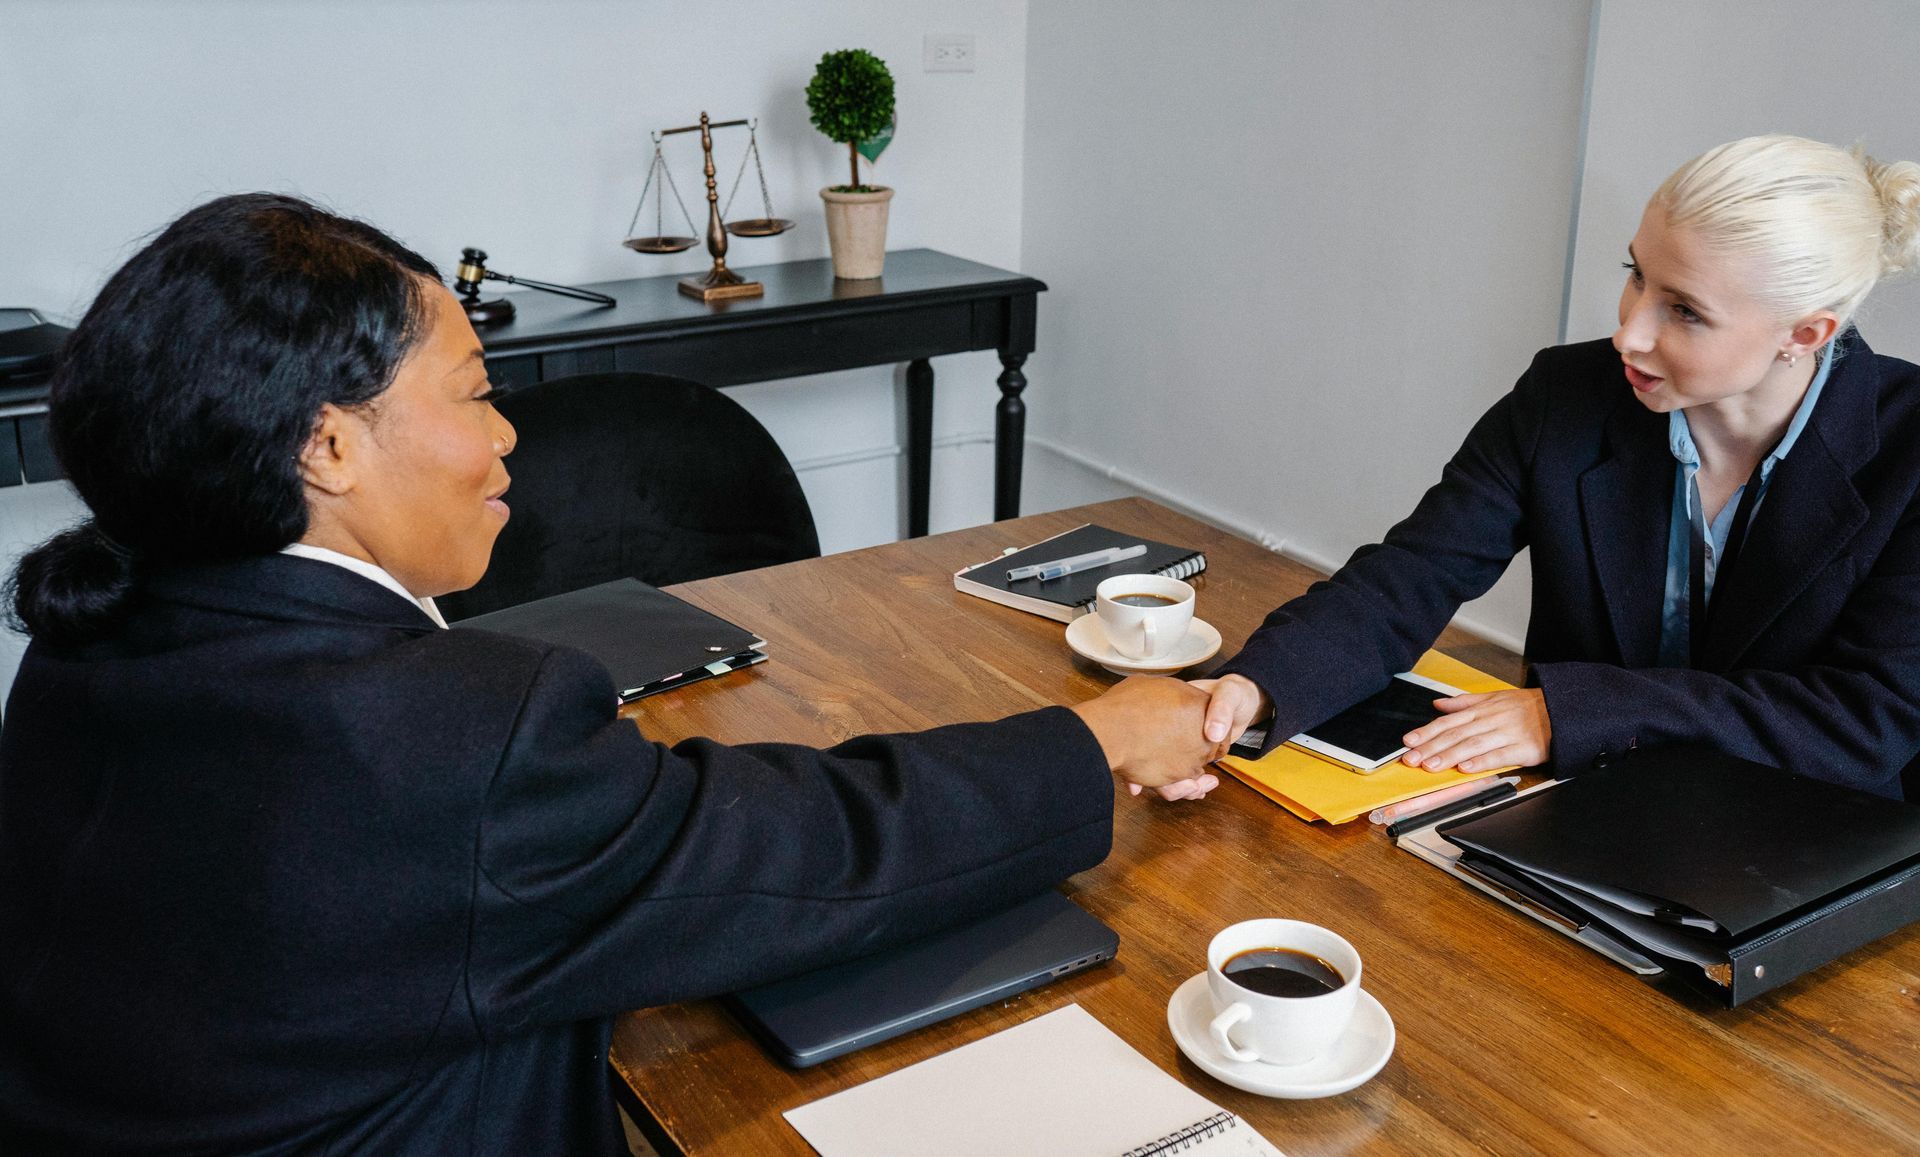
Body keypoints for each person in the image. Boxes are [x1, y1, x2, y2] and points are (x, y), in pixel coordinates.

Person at [0, 194, 1222, 1155]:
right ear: (327, 445)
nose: (506, 434)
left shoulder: (89, 637)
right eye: (476, 394)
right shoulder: (438, 733)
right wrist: (1098, 740)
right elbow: (809, 850)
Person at [1192, 134, 1920, 800]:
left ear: (1805, 332)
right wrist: (1257, 687)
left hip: (1804, 845)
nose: (1628, 331)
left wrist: (1563, 714)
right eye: (1637, 275)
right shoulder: (1566, 395)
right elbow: (1411, 575)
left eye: (1685, 311)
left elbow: (1867, 721)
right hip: (1585, 813)